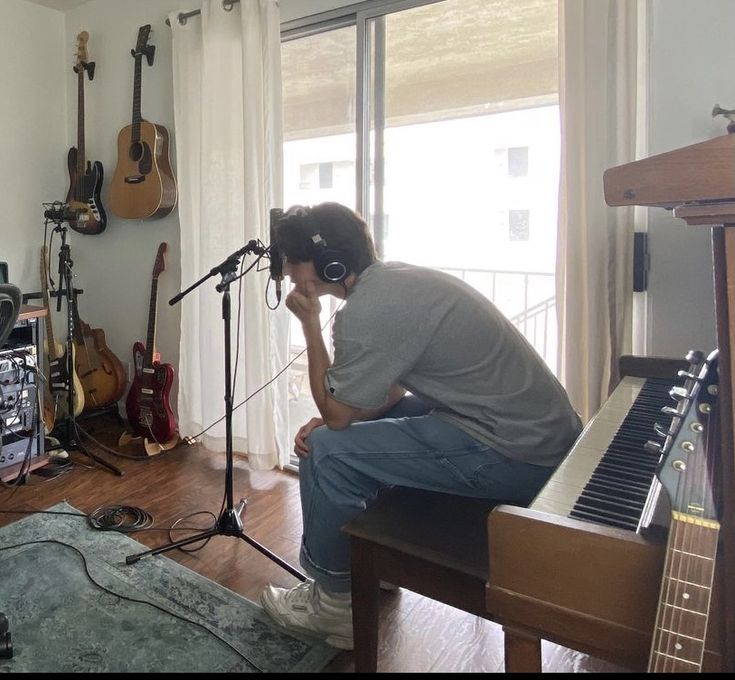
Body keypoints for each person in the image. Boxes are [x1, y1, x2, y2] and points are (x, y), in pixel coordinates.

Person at [260, 202, 582, 650]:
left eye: (294, 261)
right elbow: (386, 395)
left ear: (331, 262)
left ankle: (336, 607)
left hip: (514, 453)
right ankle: (371, 562)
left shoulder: (367, 312)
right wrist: (344, 414)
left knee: (326, 447)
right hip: (539, 438)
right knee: (345, 431)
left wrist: (311, 327)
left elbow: (335, 416)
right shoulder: (394, 282)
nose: (290, 274)